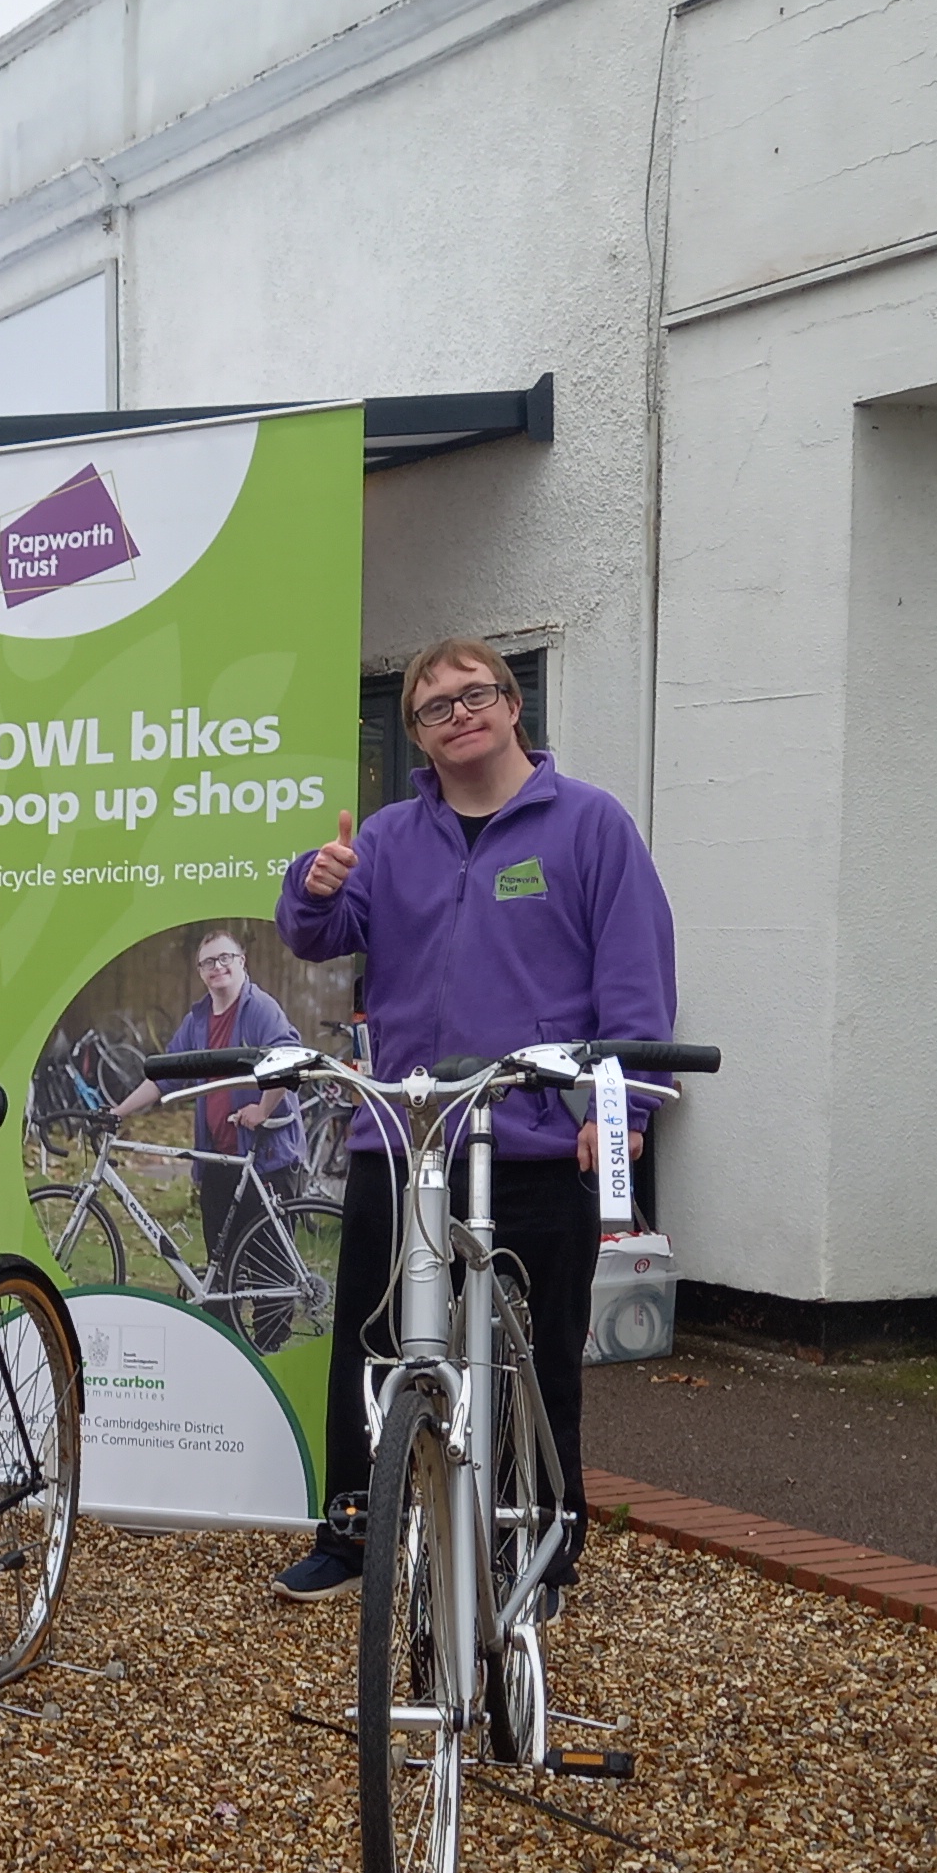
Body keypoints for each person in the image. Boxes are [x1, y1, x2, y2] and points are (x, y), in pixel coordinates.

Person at [270, 638, 676, 1604]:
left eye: (475, 695)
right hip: (407, 1138)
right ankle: (353, 1529)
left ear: (511, 705)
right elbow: (318, 933)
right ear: (417, 733)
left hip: (533, 1138)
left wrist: (622, 1112)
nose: (459, 715)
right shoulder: (393, 836)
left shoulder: (590, 827)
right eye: (434, 707)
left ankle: (538, 1541)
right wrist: (312, 882)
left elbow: (636, 980)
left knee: (532, 1357)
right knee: (372, 1345)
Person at [118, 927, 308, 1349]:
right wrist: (119, 1111)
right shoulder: (198, 1020)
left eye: (226, 958)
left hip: (266, 1159)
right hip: (219, 1159)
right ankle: (225, 1354)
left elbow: (288, 1059)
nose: (218, 967)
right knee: (220, 1269)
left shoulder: (259, 1010)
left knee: (269, 1270)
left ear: (243, 962)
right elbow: (165, 1075)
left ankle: (271, 1356)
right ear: (201, 972)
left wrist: (261, 1110)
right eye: (209, 962)